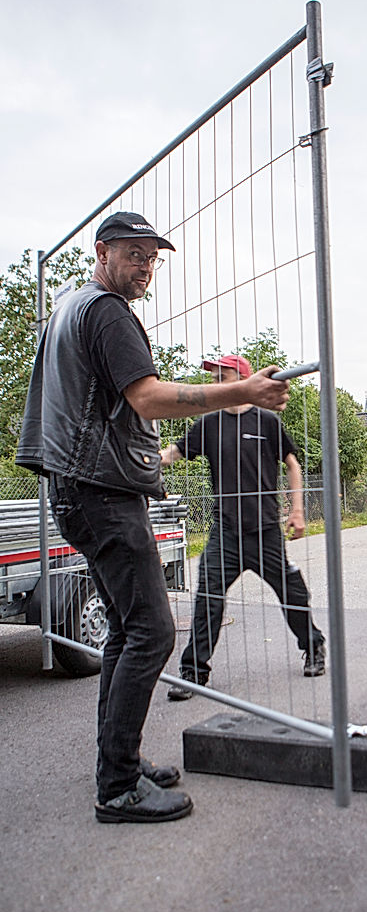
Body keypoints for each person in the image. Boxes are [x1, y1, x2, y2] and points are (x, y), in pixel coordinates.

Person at [16, 211, 289, 823]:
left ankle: (120, 760)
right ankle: (116, 787)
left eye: (152, 257)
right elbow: (148, 398)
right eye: (135, 254)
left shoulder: (69, 305)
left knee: (123, 628)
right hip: (102, 492)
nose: (145, 267)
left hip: (76, 487)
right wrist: (239, 392)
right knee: (153, 632)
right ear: (103, 251)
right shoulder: (107, 311)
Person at [163, 354, 325, 700]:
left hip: (266, 530)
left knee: (293, 593)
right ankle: (193, 672)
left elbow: (293, 465)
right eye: (215, 377)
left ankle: (313, 647)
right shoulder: (209, 424)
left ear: (243, 378)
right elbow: (175, 452)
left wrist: (297, 511)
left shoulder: (267, 421)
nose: (216, 383)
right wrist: (149, 460)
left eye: (223, 376)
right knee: (208, 596)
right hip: (226, 532)